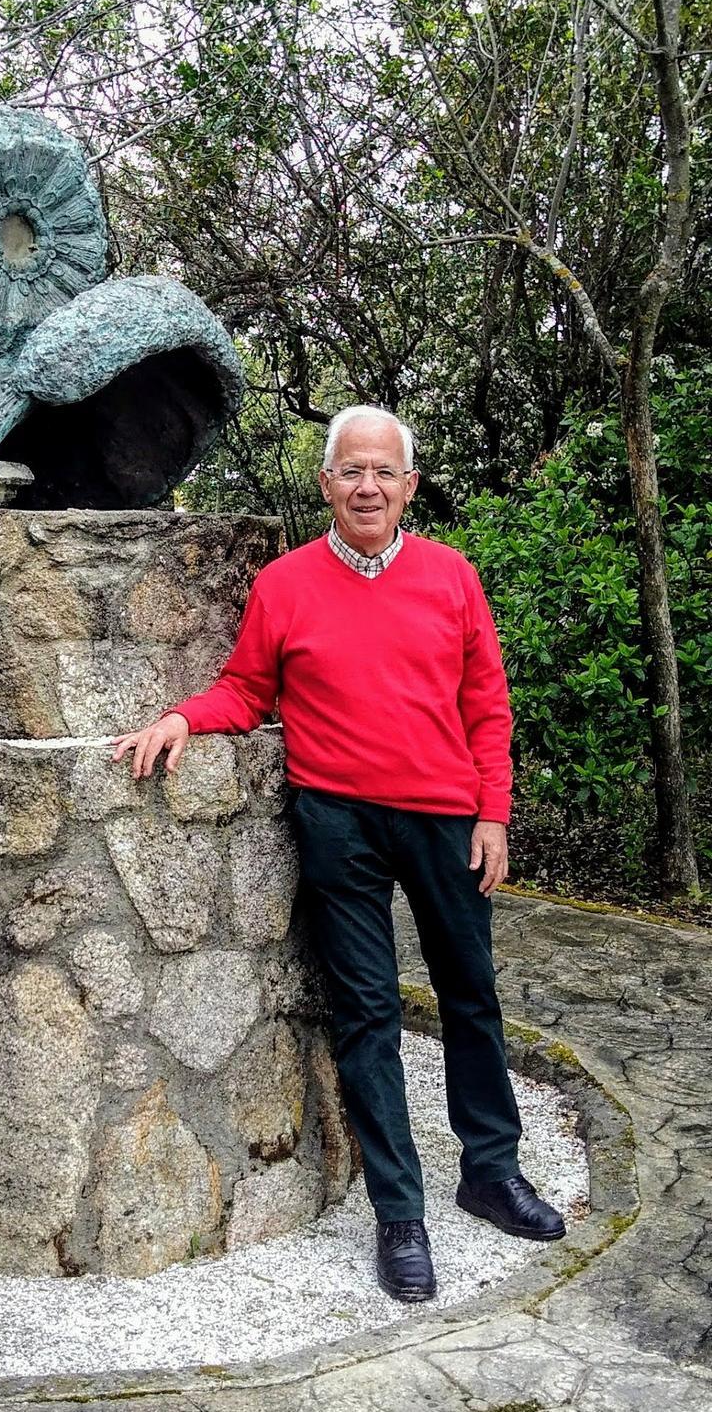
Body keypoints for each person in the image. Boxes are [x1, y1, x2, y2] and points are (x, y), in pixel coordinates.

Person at [111, 405, 565, 1303]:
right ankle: (401, 1213)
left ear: (408, 485)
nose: (366, 486)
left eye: (383, 472)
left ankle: (490, 1169)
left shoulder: (452, 578)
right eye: (350, 471)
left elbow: (488, 706)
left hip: (443, 817)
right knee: (367, 1015)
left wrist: (494, 814)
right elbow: (247, 687)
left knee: (471, 996)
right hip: (339, 822)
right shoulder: (285, 583)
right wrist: (182, 716)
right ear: (326, 483)